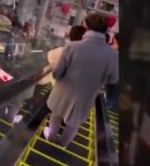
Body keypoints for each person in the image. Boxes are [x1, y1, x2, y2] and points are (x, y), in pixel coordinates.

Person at [45, 13, 118, 146]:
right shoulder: (113, 55)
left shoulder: (72, 47)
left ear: (87, 27)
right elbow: (113, 79)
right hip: (86, 96)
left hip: (63, 91)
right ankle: (63, 144)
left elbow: (56, 74)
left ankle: (51, 138)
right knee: (74, 122)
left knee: (56, 114)